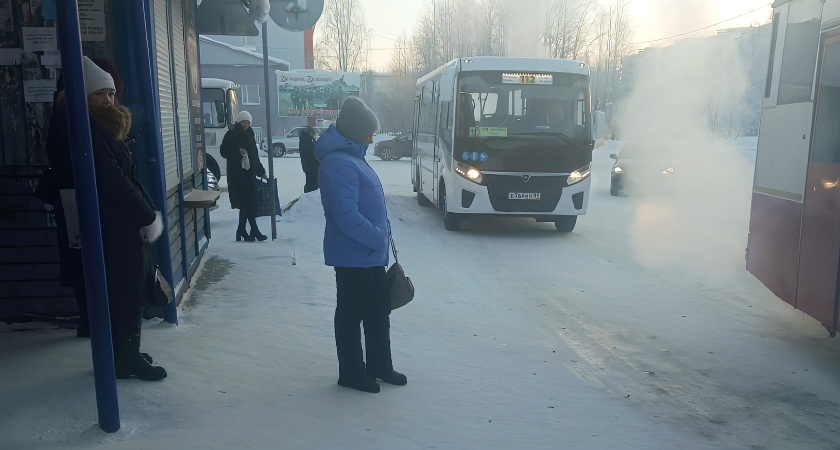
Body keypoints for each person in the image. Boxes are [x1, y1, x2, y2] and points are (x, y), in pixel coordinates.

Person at [45, 56, 167, 380]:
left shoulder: (97, 127)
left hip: (114, 222)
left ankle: (124, 352)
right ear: (84, 97)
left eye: (110, 93)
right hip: (112, 225)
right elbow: (113, 180)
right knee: (126, 291)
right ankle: (125, 358)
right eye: (100, 94)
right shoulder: (88, 131)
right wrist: (144, 213)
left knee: (124, 291)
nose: (108, 100)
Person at [314, 97, 406, 393]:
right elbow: (345, 215)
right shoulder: (338, 163)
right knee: (351, 315)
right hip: (354, 255)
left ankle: (379, 365)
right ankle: (351, 373)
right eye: (368, 132)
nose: (372, 137)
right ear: (355, 132)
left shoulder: (353, 157)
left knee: (378, 312)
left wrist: (379, 239)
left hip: (370, 254)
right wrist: (377, 235)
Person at [220, 111, 267, 242]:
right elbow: (223, 151)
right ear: (238, 122)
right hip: (238, 176)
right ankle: (252, 231)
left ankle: (243, 231)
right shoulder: (231, 134)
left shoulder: (250, 135)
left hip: (249, 176)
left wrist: (261, 171)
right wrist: (237, 152)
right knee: (248, 204)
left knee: (248, 204)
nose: (245, 124)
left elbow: (254, 157)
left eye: (247, 122)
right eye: (243, 122)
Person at [299, 126, 319, 193]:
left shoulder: (305, 140)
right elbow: (310, 154)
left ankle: (308, 194)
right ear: (308, 133)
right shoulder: (307, 142)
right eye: (312, 133)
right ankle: (309, 194)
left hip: (308, 165)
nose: (313, 135)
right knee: (311, 182)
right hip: (310, 166)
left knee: (310, 180)